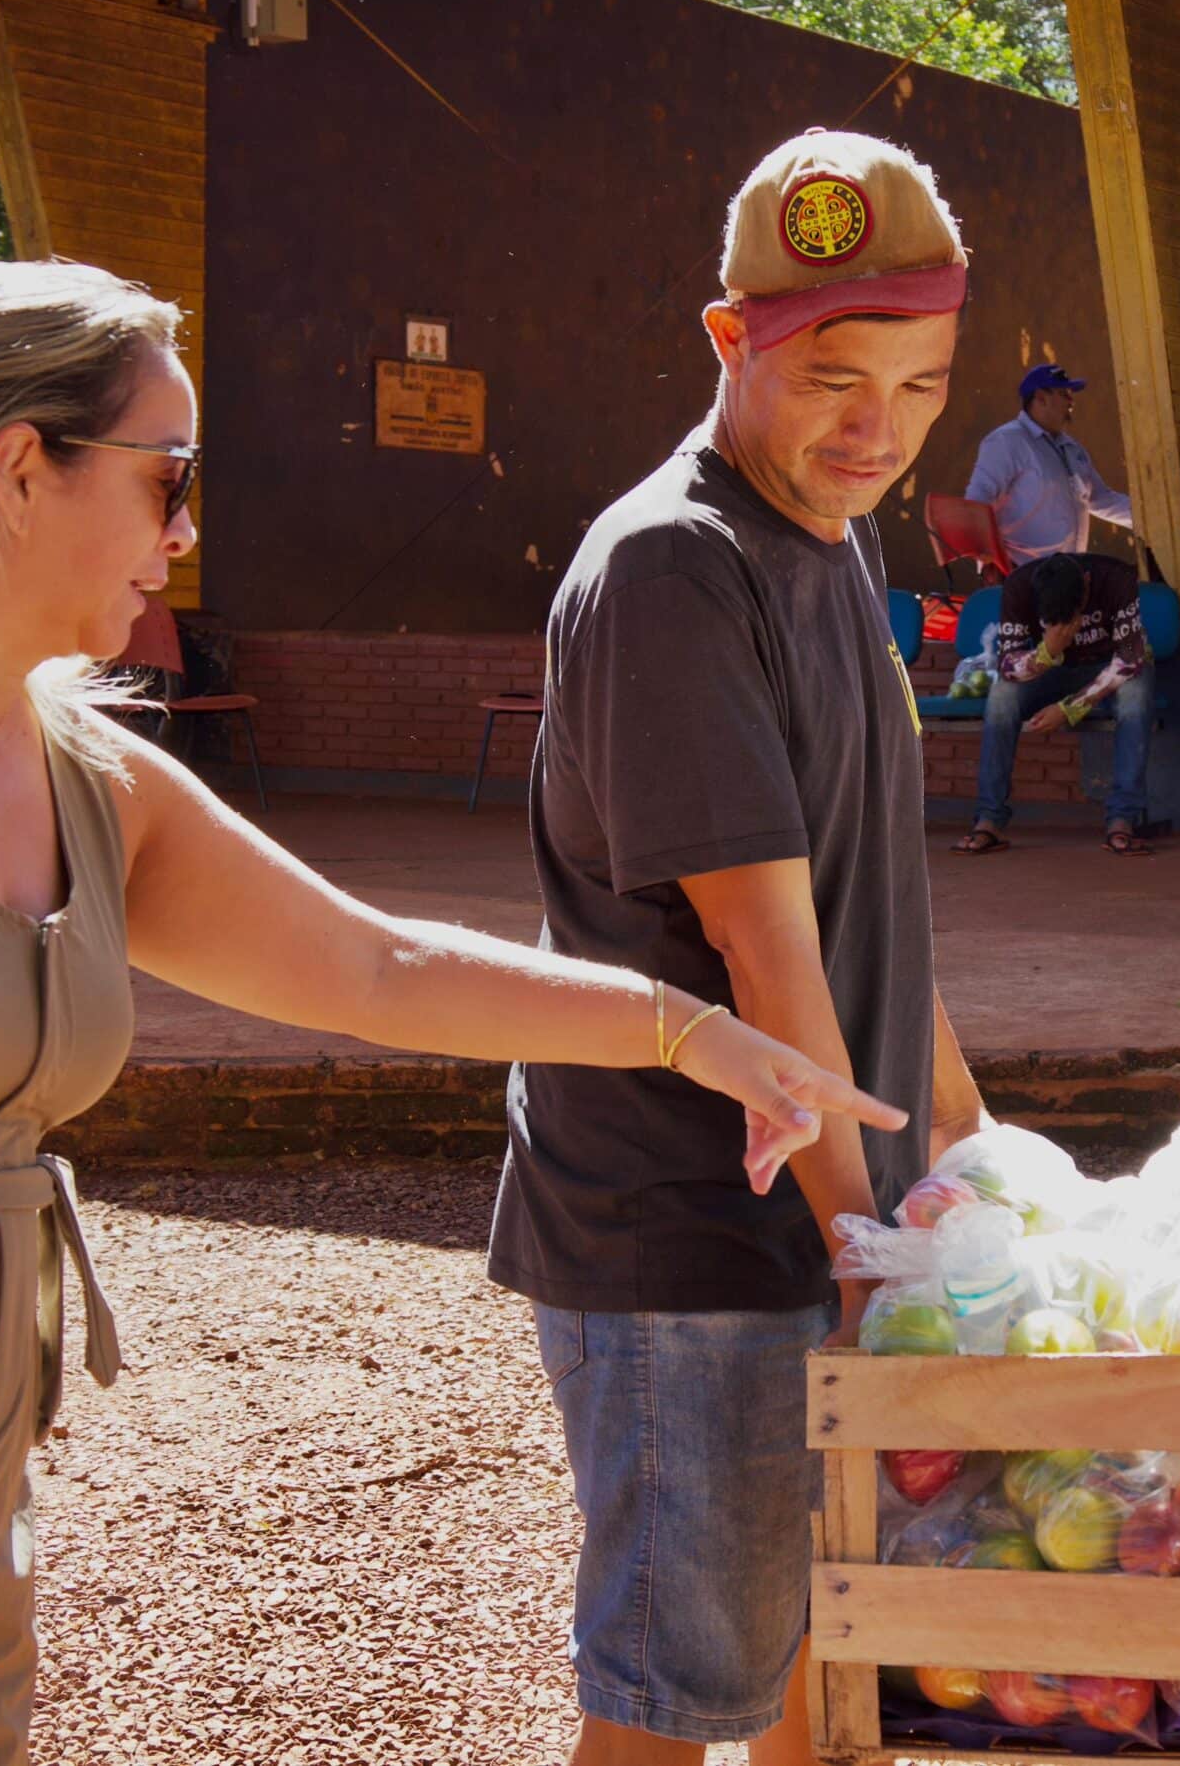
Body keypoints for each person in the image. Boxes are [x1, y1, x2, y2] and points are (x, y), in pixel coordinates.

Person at [0, 261, 905, 1765]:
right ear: (20, 469)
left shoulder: (86, 776)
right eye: (166, 479)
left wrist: (690, 1032)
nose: (186, 532)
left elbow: (376, 967)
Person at [487, 129, 991, 1766]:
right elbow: (770, 960)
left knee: (821, 1678)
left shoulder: (833, 539)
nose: (878, 431)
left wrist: (979, 1164)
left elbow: (867, 914)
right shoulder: (674, 569)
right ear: (730, 336)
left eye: (919, 388)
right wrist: (866, 1255)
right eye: (834, 379)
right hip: (692, 1238)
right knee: (672, 1702)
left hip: (819, 1207)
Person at [954, 550, 1155, 858]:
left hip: (1108, 667)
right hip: (1051, 668)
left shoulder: (1116, 578)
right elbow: (1008, 665)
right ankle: (989, 820)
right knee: (1002, 697)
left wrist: (1070, 708)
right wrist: (1048, 651)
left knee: (1135, 695)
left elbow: (1129, 659)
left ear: (1086, 584)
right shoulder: (1019, 586)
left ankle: (1122, 820)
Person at [964, 362, 1134, 564]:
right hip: (1022, 572)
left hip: (1069, 573)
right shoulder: (1007, 441)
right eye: (1063, 394)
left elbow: (1102, 499)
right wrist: (985, 557)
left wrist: (1151, 519)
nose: (1071, 400)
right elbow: (978, 498)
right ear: (1041, 398)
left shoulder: (1072, 449)